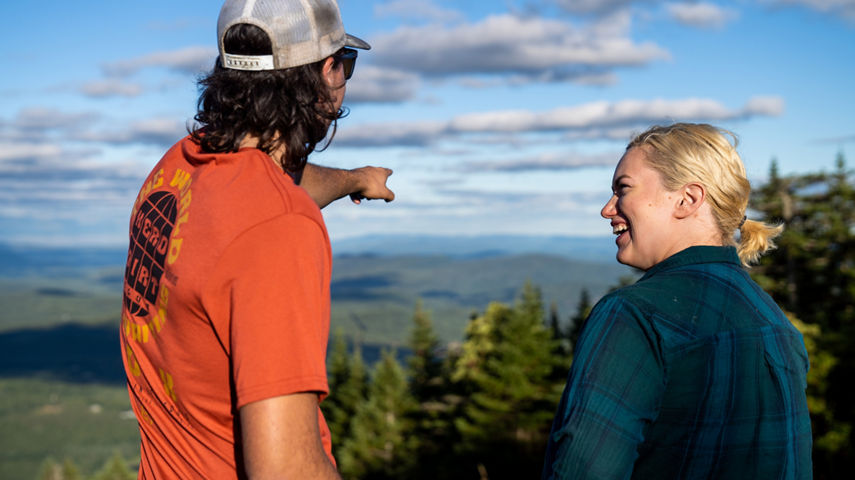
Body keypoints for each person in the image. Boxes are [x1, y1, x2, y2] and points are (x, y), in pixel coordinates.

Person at [119, 0, 393, 478]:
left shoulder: (177, 170)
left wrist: (355, 179)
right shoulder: (280, 229)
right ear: (328, 72)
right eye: (346, 64)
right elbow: (285, 469)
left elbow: (274, 179)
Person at [542, 123, 812, 479]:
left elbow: (582, 470)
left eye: (623, 189)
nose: (608, 210)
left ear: (687, 199)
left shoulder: (635, 315)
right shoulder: (773, 321)